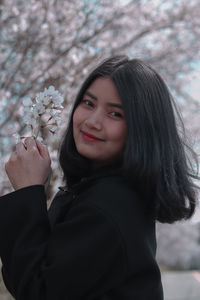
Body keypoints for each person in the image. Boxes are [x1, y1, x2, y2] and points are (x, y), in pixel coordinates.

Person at [0, 55, 199, 300]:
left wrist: (28, 192)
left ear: (142, 129)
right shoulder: (98, 193)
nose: (92, 122)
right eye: (88, 103)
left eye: (115, 114)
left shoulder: (109, 206)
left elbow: (37, 291)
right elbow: (25, 276)